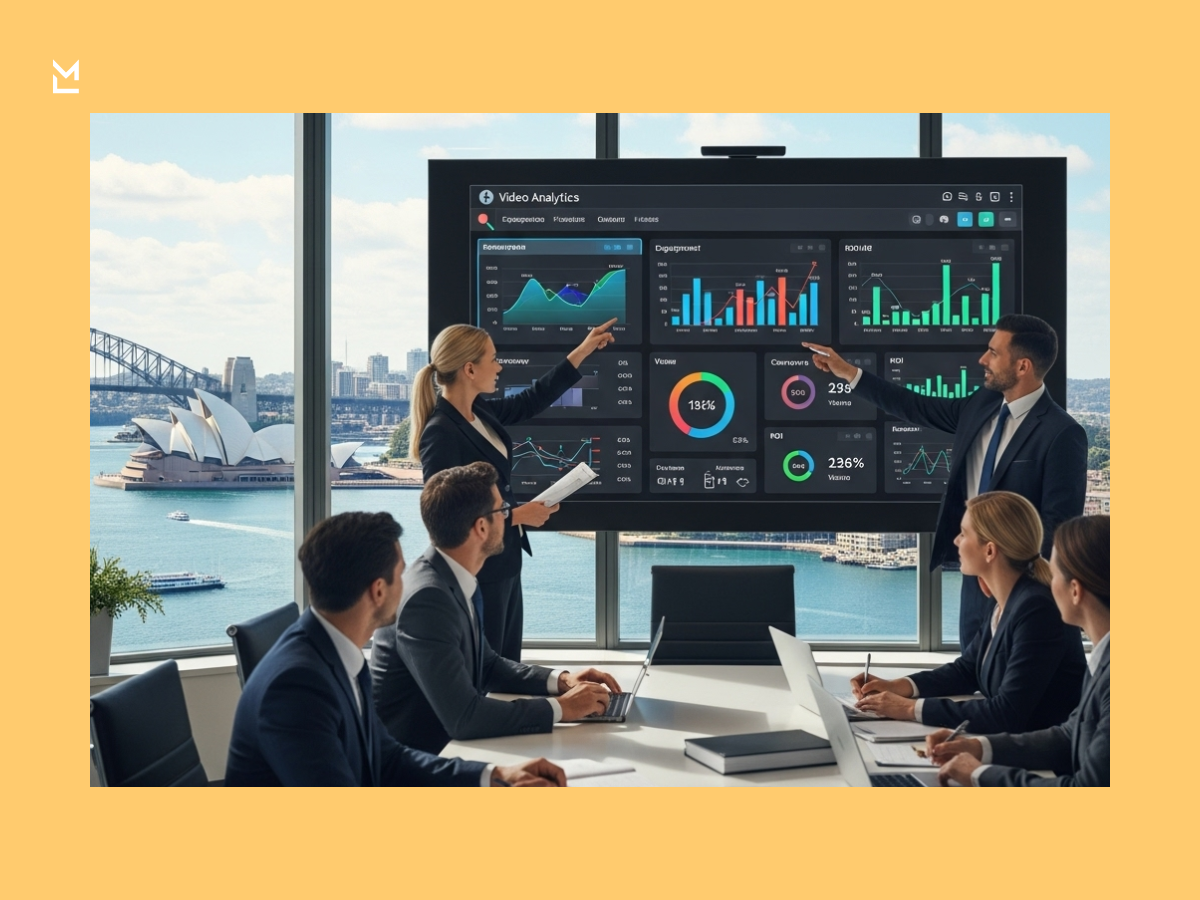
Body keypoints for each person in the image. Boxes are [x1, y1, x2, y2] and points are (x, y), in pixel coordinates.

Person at [225, 511, 566, 787]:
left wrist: (492, 776)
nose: (408, 583)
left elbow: (386, 758)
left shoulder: (337, 652)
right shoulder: (297, 687)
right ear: (378, 591)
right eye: (401, 574)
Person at [805, 314, 1087, 646]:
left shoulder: (1063, 433)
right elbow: (914, 406)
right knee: (973, 668)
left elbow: (1059, 524)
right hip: (975, 580)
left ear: (1023, 367)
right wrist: (850, 374)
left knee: (1014, 684)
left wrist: (1007, 573)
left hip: (1020, 585)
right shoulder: (981, 405)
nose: (983, 359)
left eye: (994, 353)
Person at [371, 462, 621, 753]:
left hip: (450, 751)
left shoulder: (451, 578)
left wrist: (562, 680)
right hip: (415, 772)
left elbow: (487, 666)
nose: (508, 518)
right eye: (503, 510)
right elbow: (464, 718)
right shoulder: (426, 599)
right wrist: (561, 709)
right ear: (480, 527)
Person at [411, 319, 616, 661]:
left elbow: (532, 400)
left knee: (507, 663)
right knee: (487, 671)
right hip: (477, 571)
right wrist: (517, 515)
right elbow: (443, 515)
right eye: (493, 358)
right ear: (470, 369)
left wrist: (582, 350)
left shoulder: (480, 412)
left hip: (504, 560)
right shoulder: (441, 432)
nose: (500, 366)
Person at [850, 491, 1086, 735]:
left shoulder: (1037, 610)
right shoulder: (1005, 601)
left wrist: (910, 709)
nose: (955, 541)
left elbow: (1007, 713)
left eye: (963, 534)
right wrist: (898, 686)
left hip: (1042, 760)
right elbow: (967, 670)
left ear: (990, 551)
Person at [930, 515, 1109, 787]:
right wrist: (978, 747)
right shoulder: (1103, 659)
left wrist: (979, 774)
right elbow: (1068, 735)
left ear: (1075, 591)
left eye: (1055, 572)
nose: (1047, 581)